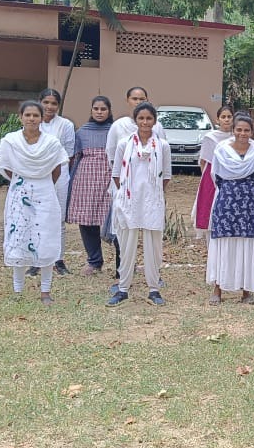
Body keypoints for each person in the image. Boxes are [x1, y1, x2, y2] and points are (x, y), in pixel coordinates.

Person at [0, 101, 67, 303]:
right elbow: (4, 165)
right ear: (20, 117)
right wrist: (22, 178)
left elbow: (57, 168)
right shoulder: (11, 141)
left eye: (36, 115)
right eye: (27, 115)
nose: (31, 119)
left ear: (41, 117)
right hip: (19, 193)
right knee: (18, 236)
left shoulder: (51, 143)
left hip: (45, 193)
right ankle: (18, 290)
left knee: (46, 238)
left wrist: (41, 182)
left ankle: (46, 291)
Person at [108, 102, 172, 306]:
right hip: (129, 201)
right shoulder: (124, 144)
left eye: (149, 118)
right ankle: (123, 288)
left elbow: (167, 176)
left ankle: (154, 289)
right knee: (126, 246)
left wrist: (152, 193)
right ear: (135, 120)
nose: (145, 122)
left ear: (154, 121)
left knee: (153, 246)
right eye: (141, 118)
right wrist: (130, 193)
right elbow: (117, 174)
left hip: (152, 201)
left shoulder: (162, 146)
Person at [205, 113, 254, 304]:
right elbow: (216, 176)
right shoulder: (221, 151)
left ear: (252, 132)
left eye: (246, 130)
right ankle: (217, 289)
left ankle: (247, 291)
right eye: (239, 129)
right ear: (233, 131)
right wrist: (233, 188)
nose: (242, 133)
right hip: (226, 202)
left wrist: (244, 189)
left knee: (247, 243)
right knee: (223, 243)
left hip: (249, 203)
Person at [65, 96, 117, 275]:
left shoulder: (116, 130)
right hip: (85, 180)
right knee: (87, 220)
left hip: (110, 179)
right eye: (96, 109)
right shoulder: (81, 132)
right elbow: (74, 159)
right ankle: (94, 261)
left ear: (109, 110)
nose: (99, 112)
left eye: (103, 109)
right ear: (91, 110)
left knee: (116, 220)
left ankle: (124, 263)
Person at [39, 89, 77, 275]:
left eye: (54, 103)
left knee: (58, 218)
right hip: (36, 175)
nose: (49, 107)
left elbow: (69, 154)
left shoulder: (66, 125)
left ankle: (58, 260)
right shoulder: (32, 121)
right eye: (46, 102)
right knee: (37, 217)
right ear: (40, 102)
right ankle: (36, 260)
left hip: (60, 174)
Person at [192, 104, 236, 240]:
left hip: (231, 175)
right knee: (210, 207)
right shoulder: (210, 137)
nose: (227, 119)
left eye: (229, 116)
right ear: (218, 120)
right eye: (223, 117)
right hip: (211, 175)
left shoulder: (237, 136)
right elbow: (204, 161)